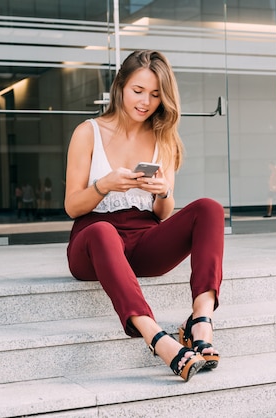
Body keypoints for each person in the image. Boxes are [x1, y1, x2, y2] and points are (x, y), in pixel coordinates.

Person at [64, 50, 224, 382]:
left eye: (155, 94)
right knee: (103, 230)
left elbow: (163, 214)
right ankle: (157, 337)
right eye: (138, 91)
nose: (146, 102)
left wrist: (163, 192)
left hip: (144, 238)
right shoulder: (87, 132)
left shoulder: (163, 137)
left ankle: (201, 319)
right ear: (120, 86)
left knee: (209, 208)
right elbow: (72, 206)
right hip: (93, 242)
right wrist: (104, 185)